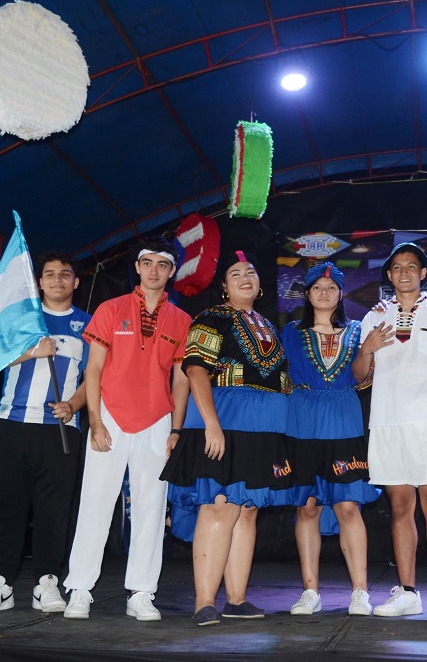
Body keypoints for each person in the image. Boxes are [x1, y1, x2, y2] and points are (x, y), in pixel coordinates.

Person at [161, 250, 293, 627]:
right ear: (224, 287)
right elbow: (196, 371)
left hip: (264, 430)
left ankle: (236, 599)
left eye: (250, 272)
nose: (245, 277)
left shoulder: (268, 324)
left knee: (247, 510)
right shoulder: (212, 318)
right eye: (236, 274)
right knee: (219, 505)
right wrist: (210, 425)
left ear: (261, 285)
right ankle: (205, 600)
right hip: (226, 421)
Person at [62, 241, 191, 622]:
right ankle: (80, 589)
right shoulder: (110, 308)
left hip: (157, 421)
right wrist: (96, 422)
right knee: (96, 503)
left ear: (171, 272)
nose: (153, 270)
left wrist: (178, 430)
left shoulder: (182, 320)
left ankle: (141, 592)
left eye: (162, 265)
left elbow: (181, 379)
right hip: (111, 417)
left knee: (151, 508)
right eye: (147, 263)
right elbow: (94, 371)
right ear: (137, 267)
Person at [0, 251, 89, 614]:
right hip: (10, 427)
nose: (57, 280)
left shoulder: (88, 325)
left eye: (64, 274)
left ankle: (47, 584)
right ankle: (0, 585)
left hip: (59, 432)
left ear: (75, 282)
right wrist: (31, 353)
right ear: (39, 282)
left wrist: (73, 404)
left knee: (54, 513)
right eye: (50, 274)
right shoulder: (20, 320)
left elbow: (96, 379)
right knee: (7, 510)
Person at [352, 242, 427, 625]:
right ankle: (409, 593)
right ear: (388, 275)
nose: (404, 273)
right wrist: (366, 349)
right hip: (386, 422)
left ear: (423, 273)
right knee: (400, 508)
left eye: (411, 266)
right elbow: (360, 376)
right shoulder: (373, 317)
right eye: (397, 267)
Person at [281, 262, 381, 617]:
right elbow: (281, 377)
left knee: (348, 506)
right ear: (307, 295)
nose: (324, 293)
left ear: (341, 294)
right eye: (317, 287)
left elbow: (364, 379)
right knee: (307, 505)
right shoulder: (291, 331)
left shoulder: (358, 331)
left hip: (343, 420)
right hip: (302, 421)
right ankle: (310, 591)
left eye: (331, 287)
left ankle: (360, 591)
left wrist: (368, 350)